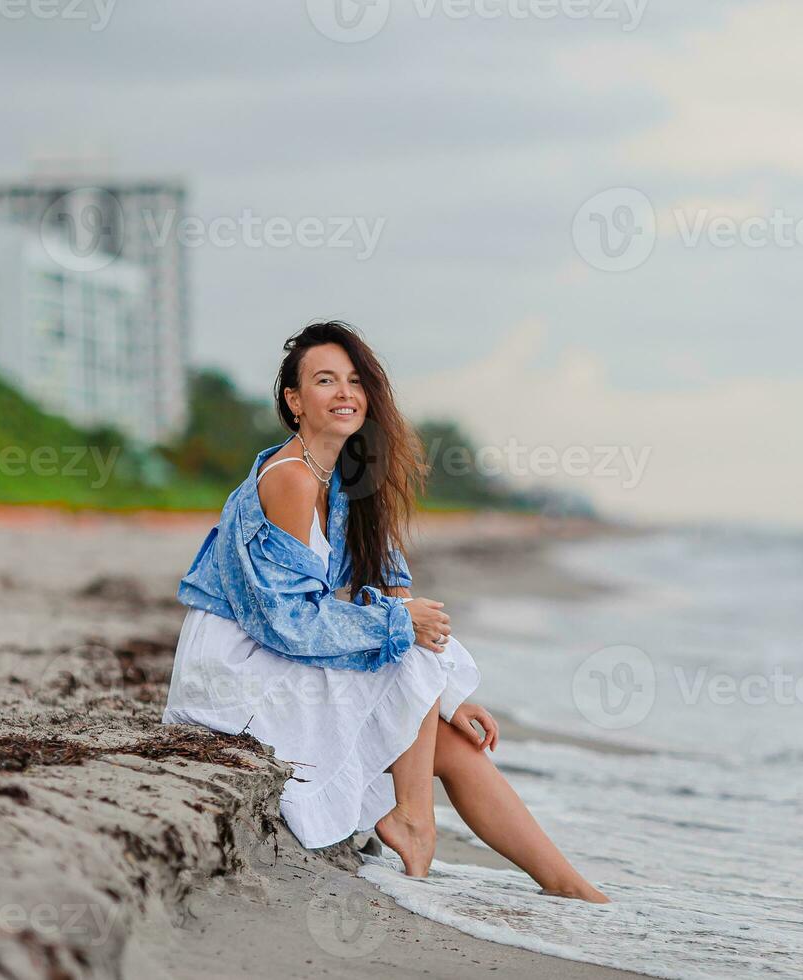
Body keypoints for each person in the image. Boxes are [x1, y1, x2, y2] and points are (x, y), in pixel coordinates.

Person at [163, 320, 607, 902]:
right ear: (295, 402)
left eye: (354, 380)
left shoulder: (345, 480)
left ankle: (572, 890)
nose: (345, 392)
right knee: (405, 646)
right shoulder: (290, 479)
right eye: (325, 380)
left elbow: (390, 584)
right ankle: (415, 823)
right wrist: (404, 632)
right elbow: (286, 623)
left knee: (453, 740)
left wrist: (445, 696)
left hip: (276, 654)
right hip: (234, 671)